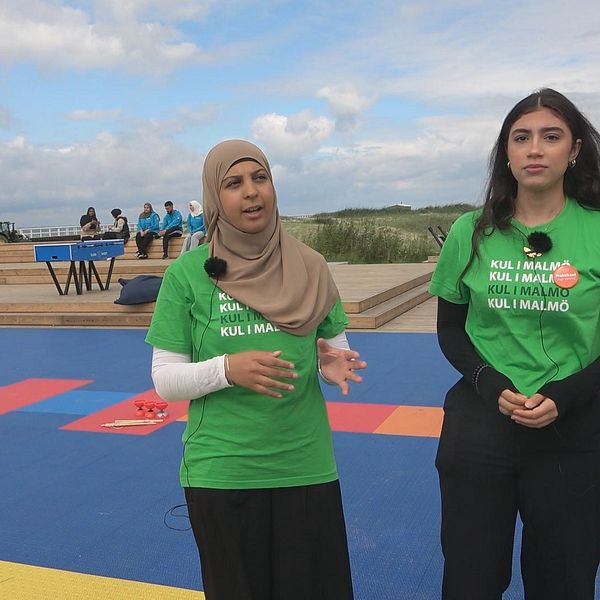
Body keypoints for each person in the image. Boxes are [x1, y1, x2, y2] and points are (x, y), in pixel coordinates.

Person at [146, 139, 366, 600]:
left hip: (305, 466)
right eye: (234, 183)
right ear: (214, 197)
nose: (251, 192)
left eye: (260, 178)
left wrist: (330, 364)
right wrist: (227, 369)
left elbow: (333, 351)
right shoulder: (188, 274)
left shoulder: (311, 266)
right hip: (223, 472)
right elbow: (165, 380)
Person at [429, 88, 600, 600]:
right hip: (481, 431)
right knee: (471, 581)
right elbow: (450, 329)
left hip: (574, 434)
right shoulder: (471, 231)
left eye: (551, 137)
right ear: (505, 151)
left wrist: (567, 396)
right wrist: (488, 383)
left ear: (573, 151)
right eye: (520, 137)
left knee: (563, 582)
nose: (534, 149)